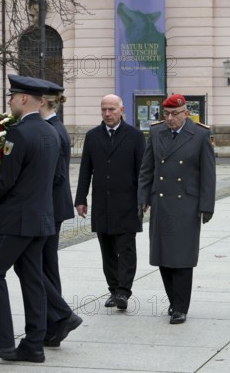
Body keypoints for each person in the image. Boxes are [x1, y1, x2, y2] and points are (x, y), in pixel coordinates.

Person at [0, 75, 80, 363]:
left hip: (16, 219)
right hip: (41, 217)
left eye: (13, 96)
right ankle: (33, 344)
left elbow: (7, 180)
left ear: (25, 99)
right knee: (32, 278)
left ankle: (1, 342)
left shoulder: (18, 133)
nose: (9, 101)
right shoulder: (52, 132)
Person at [138, 93, 216, 324]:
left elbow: (208, 174)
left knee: (181, 257)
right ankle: (173, 301)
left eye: (175, 114)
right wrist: (143, 197)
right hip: (161, 202)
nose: (170, 118)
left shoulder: (200, 134)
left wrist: (207, 205)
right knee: (163, 255)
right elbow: (147, 168)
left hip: (187, 205)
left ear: (185, 113)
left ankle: (181, 306)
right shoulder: (156, 132)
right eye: (167, 114)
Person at [75, 94, 145, 311]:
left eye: (112, 109)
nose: (107, 114)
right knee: (107, 250)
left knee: (125, 249)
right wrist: (80, 199)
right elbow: (86, 169)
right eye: (104, 109)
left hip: (127, 203)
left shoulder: (135, 136)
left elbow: (143, 170)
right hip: (102, 204)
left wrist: (144, 198)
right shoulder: (93, 136)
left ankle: (124, 291)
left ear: (121, 110)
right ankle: (114, 290)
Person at [37, 84, 81, 347]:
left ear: (42, 102)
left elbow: (53, 176)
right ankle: (53, 322)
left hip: (49, 206)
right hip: (54, 206)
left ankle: (59, 316)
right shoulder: (56, 128)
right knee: (46, 265)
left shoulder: (52, 130)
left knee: (39, 265)